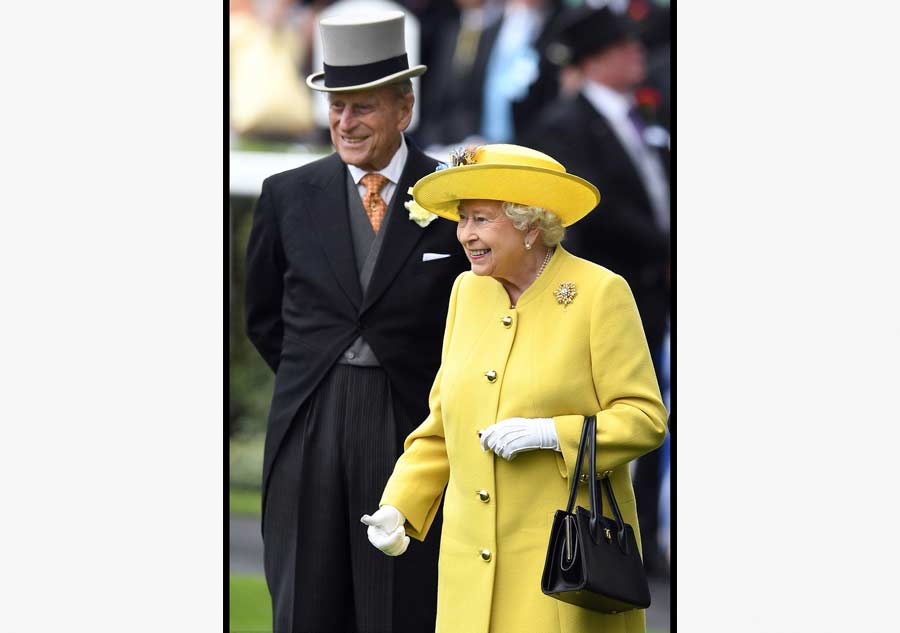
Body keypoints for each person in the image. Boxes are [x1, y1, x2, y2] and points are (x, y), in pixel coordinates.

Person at [361, 144, 668, 632]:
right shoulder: (467, 291)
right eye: (462, 220)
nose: (465, 235)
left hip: (564, 570)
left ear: (529, 224)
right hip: (470, 574)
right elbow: (443, 424)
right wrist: (400, 503)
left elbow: (646, 419)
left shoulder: (599, 293)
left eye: (481, 219)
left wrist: (552, 433)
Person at [244, 11, 468, 633]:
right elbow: (263, 316)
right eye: (337, 107)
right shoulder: (287, 194)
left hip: (414, 425)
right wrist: (320, 377)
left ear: (405, 107)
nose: (346, 122)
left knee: (402, 601)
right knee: (306, 603)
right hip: (310, 420)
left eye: (362, 107)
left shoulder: (452, 196)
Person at [519, 5, 671, 573]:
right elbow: (596, 209)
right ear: (598, 60)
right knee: (601, 410)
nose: (639, 55)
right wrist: (665, 245)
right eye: (626, 48)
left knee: (650, 406)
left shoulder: (646, 117)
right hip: (606, 287)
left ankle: (647, 537)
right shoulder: (564, 123)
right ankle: (586, 538)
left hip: (652, 288)